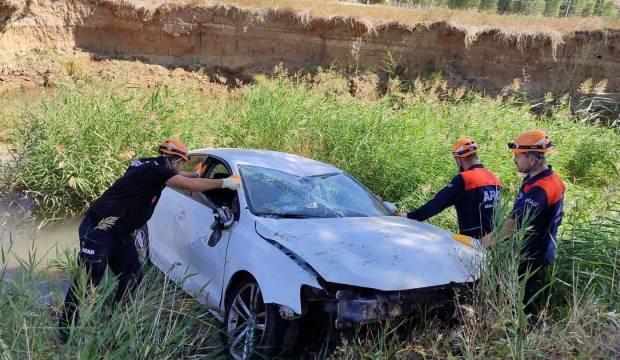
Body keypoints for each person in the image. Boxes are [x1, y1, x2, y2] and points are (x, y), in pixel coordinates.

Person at [59, 139, 240, 342]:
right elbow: (190, 185)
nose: (182, 167)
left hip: (119, 233)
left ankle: (112, 319)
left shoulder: (149, 164)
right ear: (173, 161)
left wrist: (197, 174)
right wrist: (225, 182)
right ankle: (66, 327)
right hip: (99, 229)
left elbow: (179, 176)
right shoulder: (158, 172)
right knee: (90, 277)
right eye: (181, 163)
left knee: (132, 275)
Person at [482, 129, 565, 313]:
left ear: (533, 159)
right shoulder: (536, 179)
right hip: (528, 251)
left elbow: (515, 223)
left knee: (520, 307)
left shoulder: (543, 188)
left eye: (518, 156)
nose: (514, 160)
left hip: (534, 255)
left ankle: (524, 335)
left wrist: (484, 243)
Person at [404, 137, 502, 239]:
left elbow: (438, 203)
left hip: (473, 241)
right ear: (476, 155)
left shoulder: (464, 179)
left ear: (459, 159)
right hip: (495, 240)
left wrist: (411, 216)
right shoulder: (495, 179)